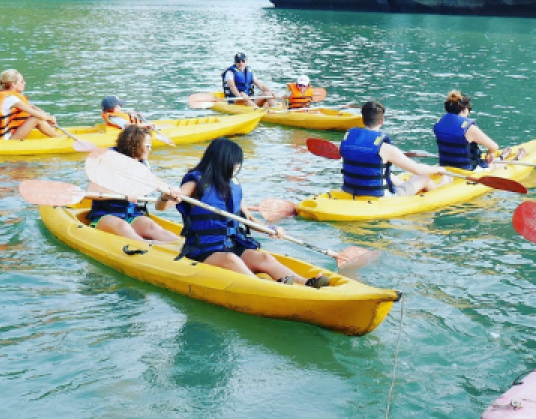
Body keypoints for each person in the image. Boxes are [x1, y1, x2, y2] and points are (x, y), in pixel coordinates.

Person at [156, 138, 330, 288]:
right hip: (203, 249)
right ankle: (263, 287)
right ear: (221, 161)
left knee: (264, 259)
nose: (237, 166)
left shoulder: (233, 185)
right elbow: (161, 207)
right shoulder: (196, 184)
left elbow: (249, 219)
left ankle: (305, 282)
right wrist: (166, 196)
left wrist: (270, 229)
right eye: (234, 162)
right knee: (231, 259)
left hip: (232, 243)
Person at [86, 125, 180, 243]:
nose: (150, 149)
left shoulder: (141, 165)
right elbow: (91, 192)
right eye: (148, 146)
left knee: (152, 227)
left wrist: (168, 192)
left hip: (131, 215)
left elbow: (156, 188)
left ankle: (184, 247)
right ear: (135, 146)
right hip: (105, 215)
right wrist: (123, 192)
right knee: (123, 227)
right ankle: (147, 247)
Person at [340, 101, 445, 197]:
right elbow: (418, 169)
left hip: (350, 191)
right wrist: (437, 169)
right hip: (382, 197)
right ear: (382, 121)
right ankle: (440, 196)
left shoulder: (347, 141)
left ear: (363, 120)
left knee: (388, 174)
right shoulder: (385, 148)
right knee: (424, 177)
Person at [0, 69, 59, 140]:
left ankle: (55, 135)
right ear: (13, 85)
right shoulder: (11, 99)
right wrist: (50, 118)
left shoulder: (5, 95)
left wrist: (47, 116)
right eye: (22, 81)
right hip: (6, 139)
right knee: (36, 119)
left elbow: (32, 108)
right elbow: (37, 115)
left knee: (38, 118)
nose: (24, 83)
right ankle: (59, 139)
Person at [433, 91, 501, 170]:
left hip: (445, 168)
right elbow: (494, 147)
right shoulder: (469, 128)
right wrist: (489, 153)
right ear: (465, 109)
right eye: (469, 109)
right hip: (467, 171)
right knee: (497, 163)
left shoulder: (439, 122)